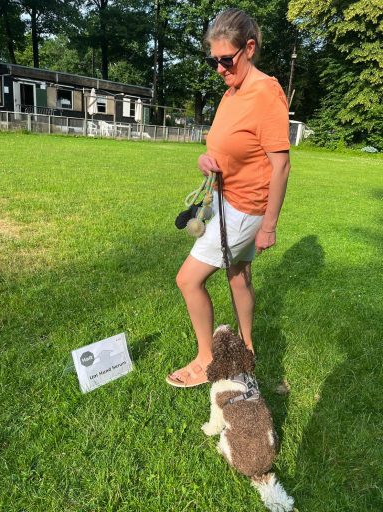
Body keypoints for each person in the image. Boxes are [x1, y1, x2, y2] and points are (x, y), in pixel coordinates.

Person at [166, 8, 291, 387]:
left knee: (187, 280)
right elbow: (231, 144)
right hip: (225, 196)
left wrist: (268, 225)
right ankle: (247, 350)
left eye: (225, 59)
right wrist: (210, 159)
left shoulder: (265, 93)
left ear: (249, 48)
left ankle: (207, 360)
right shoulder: (233, 92)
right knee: (239, 277)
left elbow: (281, 165)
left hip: (245, 207)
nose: (219, 67)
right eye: (213, 60)